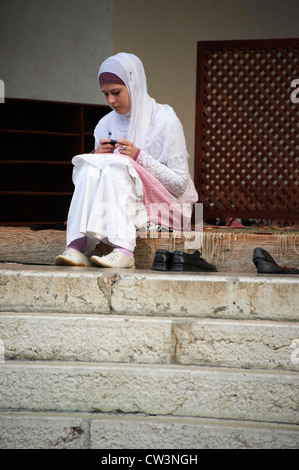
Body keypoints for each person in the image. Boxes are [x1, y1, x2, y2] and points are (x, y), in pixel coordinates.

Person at [55, 52, 198, 268]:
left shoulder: (165, 120)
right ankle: (75, 246)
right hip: (112, 206)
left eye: (116, 92)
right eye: (105, 94)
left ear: (134, 85)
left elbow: (179, 186)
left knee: (119, 167)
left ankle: (123, 249)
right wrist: (98, 156)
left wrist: (138, 157)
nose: (111, 101)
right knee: (88, 164)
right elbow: (95, 180)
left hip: (164, 206)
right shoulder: (105, 124)